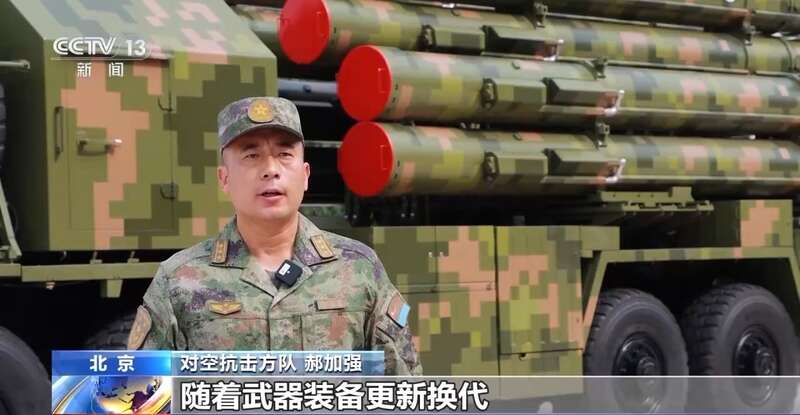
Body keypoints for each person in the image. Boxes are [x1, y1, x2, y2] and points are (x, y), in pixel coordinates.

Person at [126, 97, 422, 375]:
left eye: (284, 155)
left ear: (305, 175)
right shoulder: (178, 281)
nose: (270, 169)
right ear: (224, 178)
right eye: (251, 155)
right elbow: (139, 396)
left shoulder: (359, 268)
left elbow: (403, 387)